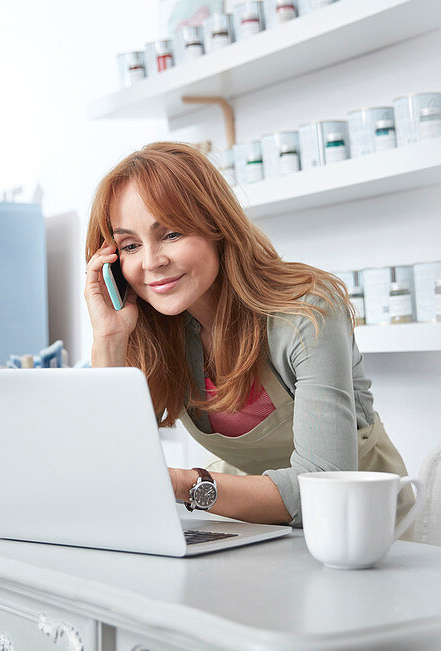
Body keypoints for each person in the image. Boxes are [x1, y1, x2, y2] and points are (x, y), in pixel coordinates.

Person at [84, 142, 412, 526]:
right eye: (130, 246)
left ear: (216, 227)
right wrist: (108, 338)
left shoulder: (307, 313)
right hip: (254, 533)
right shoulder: (163, 331)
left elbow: (325, 488)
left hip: (362, 531)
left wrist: (181, 484)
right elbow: (111, 461)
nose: (152, 261)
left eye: (171, 233)